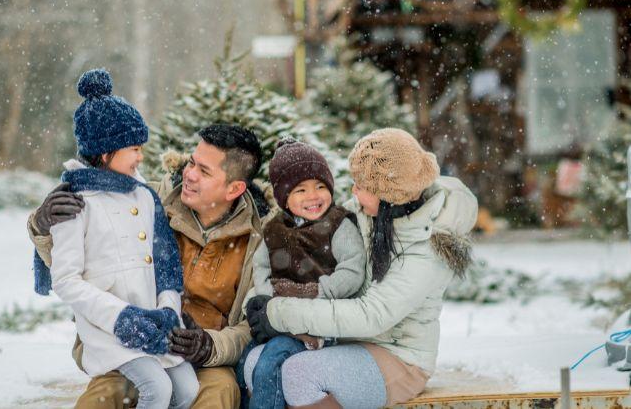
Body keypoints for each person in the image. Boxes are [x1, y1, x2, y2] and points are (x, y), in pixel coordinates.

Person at [29, 122, 271, 409]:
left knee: (216, 393)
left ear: (234, 188)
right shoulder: (144, 199)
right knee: (103, 398)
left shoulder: (258, 241)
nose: (189, 174)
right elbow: (78, 267)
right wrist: (44, 226)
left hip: (205, 358)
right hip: (130, 343)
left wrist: (209, 346)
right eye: (191, 162)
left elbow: (249, 328)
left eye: (204, 171)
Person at [247, 128, 478, 408]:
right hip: (345, 341)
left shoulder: (428, 249)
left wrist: (281, 313)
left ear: (388, 195)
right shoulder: (368, 214)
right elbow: (313, 244)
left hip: (399, 357)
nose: (353, 191)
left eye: (361, 185)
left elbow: (372, 315)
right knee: (256, 365)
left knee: (299, 374)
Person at [44, 68, 198, 408]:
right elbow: (66, 280)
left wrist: (167, 311)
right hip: (109, 329)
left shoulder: (144, 196)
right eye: (134, 149)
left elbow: (166, 264)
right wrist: (122, 318)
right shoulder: (75, 202)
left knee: (187, 389)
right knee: (156, 388)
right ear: (105, 152)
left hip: (155, 323)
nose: (141, 157)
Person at [240, 138, 365, 409]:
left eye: (321, 186)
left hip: (320, 323)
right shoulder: (273, 229)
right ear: (284, 197)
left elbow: (353, 270)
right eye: (301, 190)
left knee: (270, 362)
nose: (313, 196)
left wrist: (317, 291)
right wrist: (265, 302)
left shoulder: (338, 225)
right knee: (242, 362)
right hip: (279, 319)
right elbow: (261, 268)